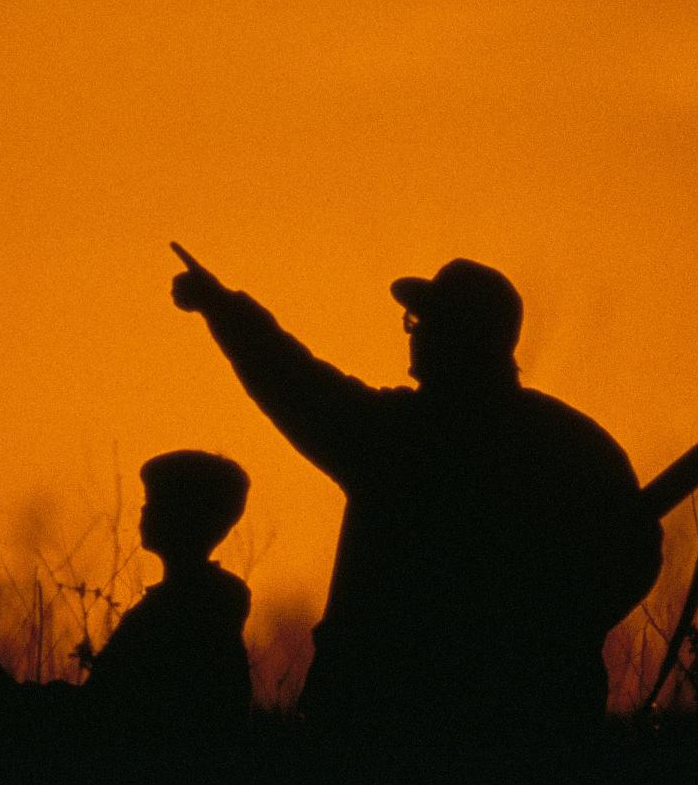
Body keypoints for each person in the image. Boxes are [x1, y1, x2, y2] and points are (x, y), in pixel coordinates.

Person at [170, 246, 661, 728]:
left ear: (459, 336)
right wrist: (551, 639)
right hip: (535, 716)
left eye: (425, 322)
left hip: (383, 710)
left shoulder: (399, 439)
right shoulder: (574, 443)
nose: (415, 334)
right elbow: (635, 555)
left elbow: (294, 382)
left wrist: (223, 310)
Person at [0, 449, 253, 731]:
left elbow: (108, 712)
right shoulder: (204, 601)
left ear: (187, 516)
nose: (144, 509)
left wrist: (27, 703)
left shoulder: (178, 610)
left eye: (157, 502)